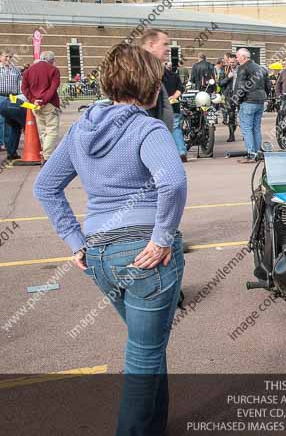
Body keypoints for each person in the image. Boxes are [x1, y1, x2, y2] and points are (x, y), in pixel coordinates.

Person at [33, 43, 187, 436]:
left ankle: (153, 426)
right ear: (151, 88)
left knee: (147, 347)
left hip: (100, 252)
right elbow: (172, 182)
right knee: (144, 355)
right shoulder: (147, 127)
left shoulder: (81, 129)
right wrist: (163, 237)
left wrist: (74, 240)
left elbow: (46, 187)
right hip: (144, 252)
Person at [22, 51, 62, 162]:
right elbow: (53, 88)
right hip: (49, 103)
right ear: (52, 60)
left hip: (34, 104)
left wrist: (33, 100)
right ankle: (47, 156)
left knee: (43, 131)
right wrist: (43, 100)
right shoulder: (54, 70)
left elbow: (24, 88)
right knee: (52, 130)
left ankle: (45, 153)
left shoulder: (28, 71)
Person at [232, 48, 267, 162]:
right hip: (260, 100)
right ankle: (257, 152)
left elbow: (241, 86)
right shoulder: (258, 67)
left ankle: (251, 154)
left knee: (247, 128)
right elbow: (267, 84)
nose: (236, 59)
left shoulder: (243, 68)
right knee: (256, 128)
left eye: (237, 56)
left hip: (248, 101)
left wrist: (236, 100)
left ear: (243, 57)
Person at [138, 29, 174, 132]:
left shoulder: (153, 70)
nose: (168, 49)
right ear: (151, 45)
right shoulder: (141, 70)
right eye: (165, 44)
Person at [163, 61, 187, 162]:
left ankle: (166, 155)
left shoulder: (154, 76)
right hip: (173, 106)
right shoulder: (174, 76)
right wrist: (173, 96)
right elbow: (181, 89)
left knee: (161, 131)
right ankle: (181, 151)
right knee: (176, 128)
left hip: (161, 107)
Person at [0, 49, 22, 154]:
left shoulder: (16, 70)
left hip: (12, 97)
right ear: (0, 57)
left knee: (10, 122)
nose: (8, 59)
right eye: (6, 57)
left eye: (10, 57)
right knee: (1, 121)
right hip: (0, 96)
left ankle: (10, 147)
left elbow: (19, 85)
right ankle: (1, 143)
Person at [0, 94, 25, 163]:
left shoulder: (24, 94)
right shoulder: (35, 98)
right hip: (16, 105)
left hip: (3, 105)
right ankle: (30, 151)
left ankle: (11, 153)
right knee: (27, 128)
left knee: (14, 129)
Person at [219, 52, 238, 142]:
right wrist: (228, 77)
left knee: (242, 116)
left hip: (240, 95)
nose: (231, 64)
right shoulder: (225, 69)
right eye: (230, 62)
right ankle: (231, 135)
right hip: (229, 96)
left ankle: (245, 134)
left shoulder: (241, 69)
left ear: (236, 61)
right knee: (231, 116)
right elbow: (220, 83)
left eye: (233, 62)